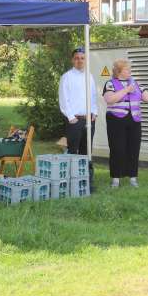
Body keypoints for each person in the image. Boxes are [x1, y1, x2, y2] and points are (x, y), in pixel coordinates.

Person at [103, 59, 148, 188]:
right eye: (127, 68)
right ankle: (115, 179)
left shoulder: (136, 83)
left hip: (134, 120)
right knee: (117, 149)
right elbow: (109, 100)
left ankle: (133, 178)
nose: (130, 70)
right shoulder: (110, 83)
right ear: (119, 71)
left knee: (134, 149)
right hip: (116, 121)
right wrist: (126, 90)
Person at [58, 47, 98, 190]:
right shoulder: (66, 77)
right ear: (72, 60)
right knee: (73, 150)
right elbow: (64, 99)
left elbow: (93, 96)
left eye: (82, 58)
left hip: (89, 120)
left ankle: (86, 182)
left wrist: (94, 112)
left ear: (85, 60)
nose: (79, 60)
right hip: (74, 120)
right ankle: (70, 182)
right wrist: (70, 117)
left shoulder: (90, 76)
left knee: (86, 151)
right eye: (77, 58)